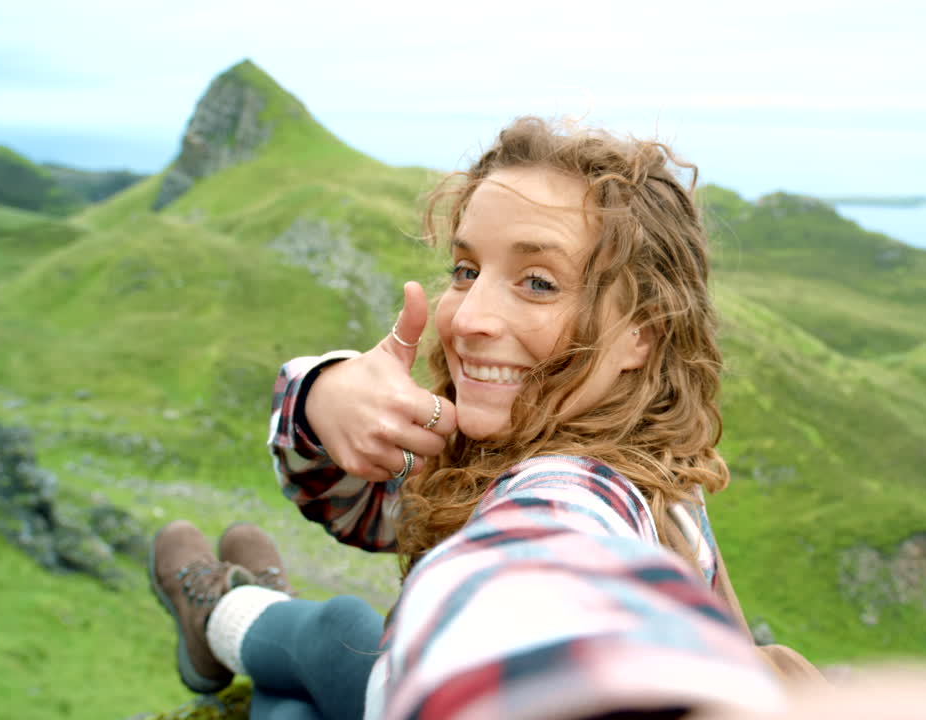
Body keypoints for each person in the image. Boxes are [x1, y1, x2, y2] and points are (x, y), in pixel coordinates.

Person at [149, 116, 792, 719]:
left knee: (337, 634)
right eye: (466, 269)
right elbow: (359, 509)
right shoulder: (553, 450)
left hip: (414, 689)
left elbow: (548, 546)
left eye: (539, 282)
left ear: (643, 334)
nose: (468, 317)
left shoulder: (575, 486)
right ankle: (237, 627)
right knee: (299, 688)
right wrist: (321, 396)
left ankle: (222, 614)